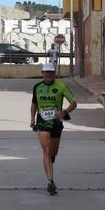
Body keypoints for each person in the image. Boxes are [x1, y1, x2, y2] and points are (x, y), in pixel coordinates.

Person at [29, 62, 77, 196]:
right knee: (46, 150)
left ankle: (51, 159)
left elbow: (74, 102)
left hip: (56, 122)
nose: (48, 75)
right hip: (42, 121)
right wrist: (32, 119)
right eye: (46, 72)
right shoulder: (37, 87)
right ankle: (50, 181)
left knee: (53, 153)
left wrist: (64, 112)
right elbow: (34, 104)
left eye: (51, 72)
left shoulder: (61, 86)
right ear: (42, 73)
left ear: (54, 74)